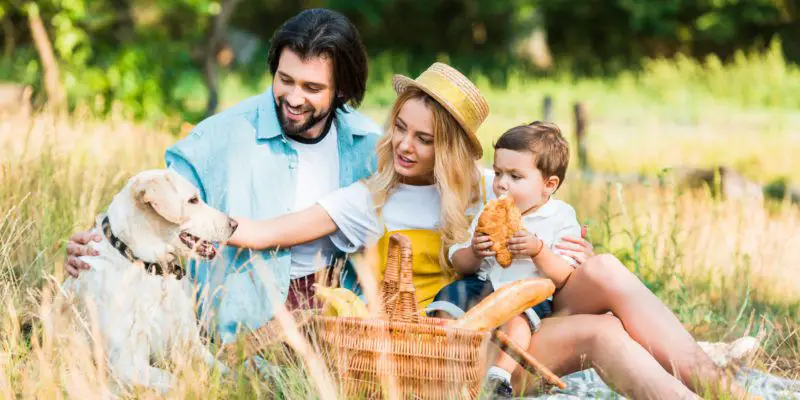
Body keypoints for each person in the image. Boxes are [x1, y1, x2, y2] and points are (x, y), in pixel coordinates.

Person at [62, 8, 382, 343]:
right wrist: (99, 244)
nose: (293, 97)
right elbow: (152, 207)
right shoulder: (219, 137)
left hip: (340, 310)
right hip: (248, 316)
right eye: (285, 80)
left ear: (342, 90)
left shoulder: (369, 147)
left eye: (312, 87)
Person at [230, 62, 491, 311]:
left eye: (423, 139)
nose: (403, 145)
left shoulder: (488, 188)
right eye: (400, 128)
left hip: (469, 343)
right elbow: (264, 233)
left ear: (450, 149)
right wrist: (200, 221)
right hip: (396, 346)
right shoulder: (371, 199)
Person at [433, 121, 581, 397]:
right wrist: (475, 251)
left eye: (515, 176)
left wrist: (538, 250)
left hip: (528, 294)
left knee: (519, 321)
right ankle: (441, 357)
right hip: (487, 284)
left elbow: (564, 275)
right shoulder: (491, 210)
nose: (501, 184)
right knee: (452, 294)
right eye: (498, 172)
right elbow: (461, 263)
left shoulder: (559, 217)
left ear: (549, 185)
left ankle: (500, 375)